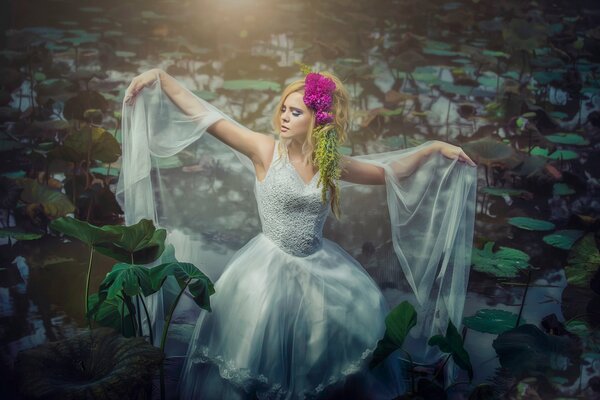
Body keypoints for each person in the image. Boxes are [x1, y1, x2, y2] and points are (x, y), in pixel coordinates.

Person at [121, 67, 477, 399]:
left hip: (320, 271)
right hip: (264, 272)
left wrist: (433, 149)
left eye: (295, 113)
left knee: (322, 360)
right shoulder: (264, 150)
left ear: (318, 120)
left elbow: (389, 173)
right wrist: (162, 78)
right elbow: (206, 116)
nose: (284, 118)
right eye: (284, 110)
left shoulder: (330, 164)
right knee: (254, 359)